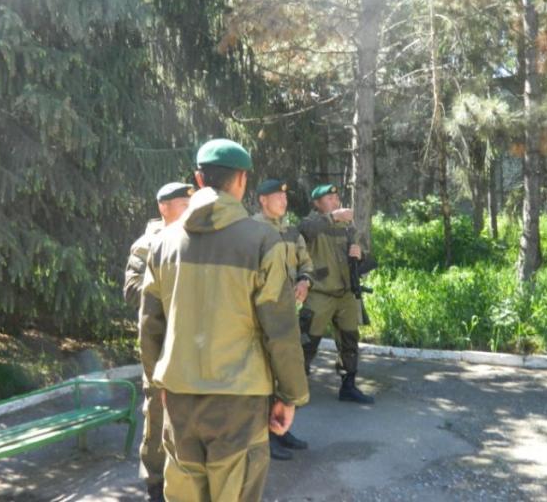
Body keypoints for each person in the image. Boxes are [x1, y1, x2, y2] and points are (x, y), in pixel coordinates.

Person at [139, 139, 309, 502]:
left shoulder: (163, 243)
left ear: (199, 179)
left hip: (179, 399)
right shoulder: (263, 241)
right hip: (240, 403)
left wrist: (158, 384)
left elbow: (150, 325)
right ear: (243, 180)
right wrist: (290, 395)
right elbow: (280, 330)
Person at [123, 182, 194, 501]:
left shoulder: (192, 240)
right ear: (163, 208)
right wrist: (169, 293)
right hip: (160, 342)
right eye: (183, 205)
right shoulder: (146, 244)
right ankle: (154, 482)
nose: (189, 210)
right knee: (156, 412)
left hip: (190, 342)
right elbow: (131, 289)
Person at [252, 178, 312, 461]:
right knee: (266, 373)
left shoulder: (291, 231)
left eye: (285, 197)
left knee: (284, 371)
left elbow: (305, 261)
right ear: (262, 200)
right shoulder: (252, 230)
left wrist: (304, 280)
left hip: (287, 310)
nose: (284, 201)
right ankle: (266, 436)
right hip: (263, 314)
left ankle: (281, 428)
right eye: (278, 196)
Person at [298, 184, 374, 404]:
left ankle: (348, 386)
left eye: (336, 197)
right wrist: (333, 217)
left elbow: (365, 256)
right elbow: (304, 231)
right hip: (319, 294)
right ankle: (296, 389)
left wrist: (360, 255)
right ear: (317, 203)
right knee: (307, 342)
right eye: (329, 198)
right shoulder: (310, 223)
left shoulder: (347, 226)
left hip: (345, 294)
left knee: (349, 340)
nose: (335, 201)